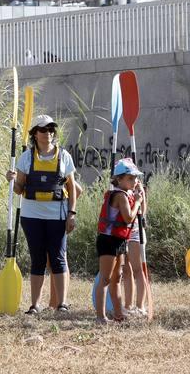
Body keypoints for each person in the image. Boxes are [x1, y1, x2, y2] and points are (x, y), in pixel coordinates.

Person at [11, 114, 79, 314]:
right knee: (38, 259)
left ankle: (62, 304)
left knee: (57, 258)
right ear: (34, 134)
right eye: (43, 129)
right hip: (31, 216)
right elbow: (19, 188)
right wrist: (11, 180)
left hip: (57, 215)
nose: (48, 133)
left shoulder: (64, 156)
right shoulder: (26, 157)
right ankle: (35, 305)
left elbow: (73, 188)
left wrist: (72, 213)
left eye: (51, 129)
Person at [95, 159, 143, 324]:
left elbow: (139, 213)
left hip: (120, 240)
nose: (134, 181)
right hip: (109, 240)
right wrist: (137, 201)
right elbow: (129, 218)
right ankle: (101, 317)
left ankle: (118, 314)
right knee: (105, 279)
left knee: (117, 278)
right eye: (130, 178)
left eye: (135, 178)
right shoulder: (120, 196)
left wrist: (138, 198)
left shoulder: (127, 194)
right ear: (119, 179)